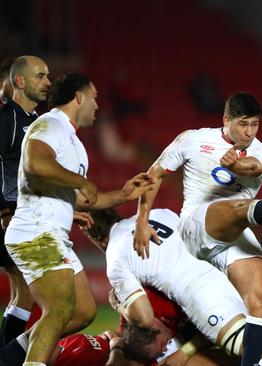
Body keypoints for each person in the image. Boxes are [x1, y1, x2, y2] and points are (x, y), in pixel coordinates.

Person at [133, 92, 262, 366]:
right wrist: (142, 220)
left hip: (234, 231)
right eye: (243, 124)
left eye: (255, 125)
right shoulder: (192, 139)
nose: (249, 132)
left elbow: (253, 167)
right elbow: (154, 174)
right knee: (236, 207)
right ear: (226, 120)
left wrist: (235, 164)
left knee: (261, 301)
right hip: (196, 224)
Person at [2, 73, 155, 366]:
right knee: (59, 309)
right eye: (94, 97)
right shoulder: (51, 124)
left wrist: (124, 194)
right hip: (35, 231)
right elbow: (35, 163)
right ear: (79, 98)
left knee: (83, 311)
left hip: (54, 235)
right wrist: (79, 182)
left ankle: (8, 357)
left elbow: (87, 199)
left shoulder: (75, 144)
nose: (97, 105)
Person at [85, 207, 262, 366]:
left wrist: (119, 305)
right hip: (224, 271)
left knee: (258, 358)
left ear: (96, 238)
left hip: (204, 297)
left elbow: (144, 317)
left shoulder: (115, 257)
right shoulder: (158, 213)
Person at [0, 55, 50, 347]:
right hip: (8, 216)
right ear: (19, 81)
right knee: (32, 293)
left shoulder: (37, 122)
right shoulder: (7, 119)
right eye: (40, 76)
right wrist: (4, 208)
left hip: (23, 216)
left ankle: (6, 353)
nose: (48, 83)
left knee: (25, 293)